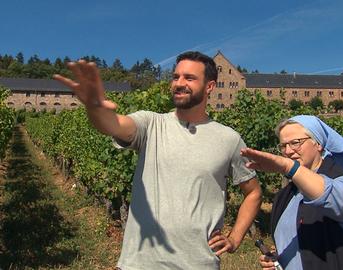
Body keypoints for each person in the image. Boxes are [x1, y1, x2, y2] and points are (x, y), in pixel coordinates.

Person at [53, 51, 262, 269]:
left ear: (209, 86)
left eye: (189, 78)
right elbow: (113, 125)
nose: (179, 83)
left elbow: (253, 192)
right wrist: (94, 106)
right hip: (139, 263)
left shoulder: (229, 139)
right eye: (175, 77)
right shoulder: (151, 123)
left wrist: (235, 237)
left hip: (198, 263)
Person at [240, 115, 343, 270]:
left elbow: (339, 201)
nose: (288, 151)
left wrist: (288, 167)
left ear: (318, 144)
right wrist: (280, 260)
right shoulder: (285, 196)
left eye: (295, 143)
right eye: (283, 146)